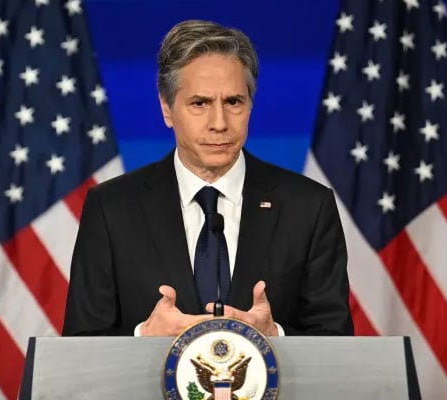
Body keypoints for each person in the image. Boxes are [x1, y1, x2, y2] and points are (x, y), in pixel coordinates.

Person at [62, 20, 354, 337]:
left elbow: (335, 339)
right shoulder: (112, 208)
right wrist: (143, 337)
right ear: (167, 109)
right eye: (200, 103)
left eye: (233, 102)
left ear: (250, 104)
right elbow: (81, 344)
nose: (219, 123)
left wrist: (276, 337)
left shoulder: (308, 206)